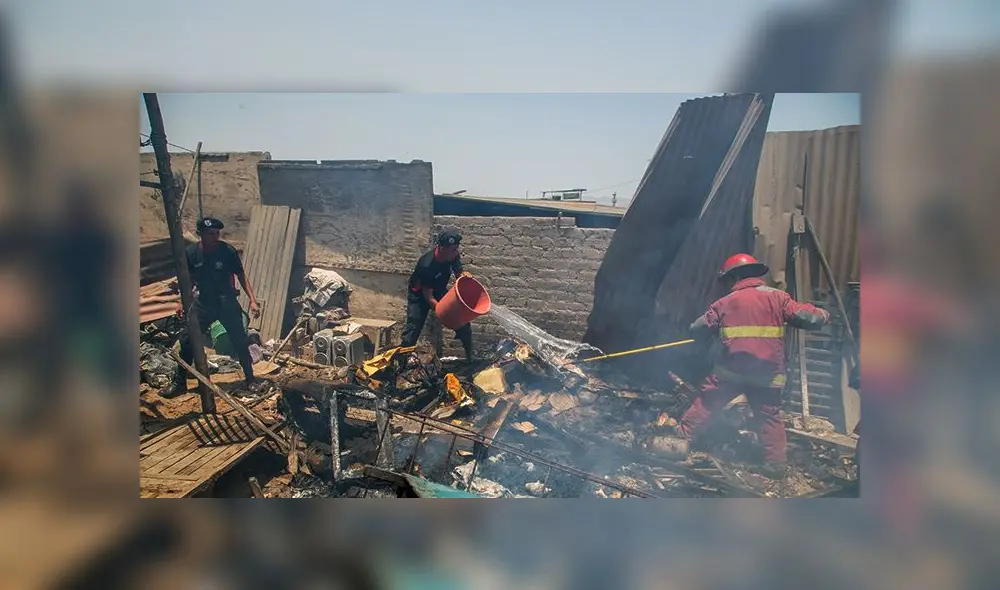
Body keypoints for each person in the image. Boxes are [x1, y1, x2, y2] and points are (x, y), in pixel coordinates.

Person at [650, 253, 830, 479]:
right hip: (767, 373)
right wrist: (822, 314)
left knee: (706, 403)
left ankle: (678, 441)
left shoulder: (724, 303)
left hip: (730, 372)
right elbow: (808, 317)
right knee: (769, 416)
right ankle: (775, 465)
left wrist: (709, 332)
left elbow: (697, 328)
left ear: (733, 278)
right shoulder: (778, 297)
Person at [177, 216, 262, 392]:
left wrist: (253, 301)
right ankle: (179, 383)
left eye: (217, 233)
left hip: (226, 302)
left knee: (239, 340)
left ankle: (250, 379)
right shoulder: (191, 253)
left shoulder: (227, 251)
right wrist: (181, 302)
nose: (215, 236)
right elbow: (186, 280)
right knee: (187, 339)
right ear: (200, 234)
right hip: (203, 302)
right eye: (210, 234)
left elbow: (241, 275)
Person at [401, 231, 474, 361]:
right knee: (413, 329)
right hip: (419, 296)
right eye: (453, 250)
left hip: (439, 290)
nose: (457, 252)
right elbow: (428, 296)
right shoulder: (427, 264)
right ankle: (401, 363)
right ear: (442, 249)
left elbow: (459, 274)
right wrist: (443, 311)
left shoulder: (453, 255)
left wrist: (465, 277)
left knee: (463, 322)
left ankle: (471, 358)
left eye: (457, 248)